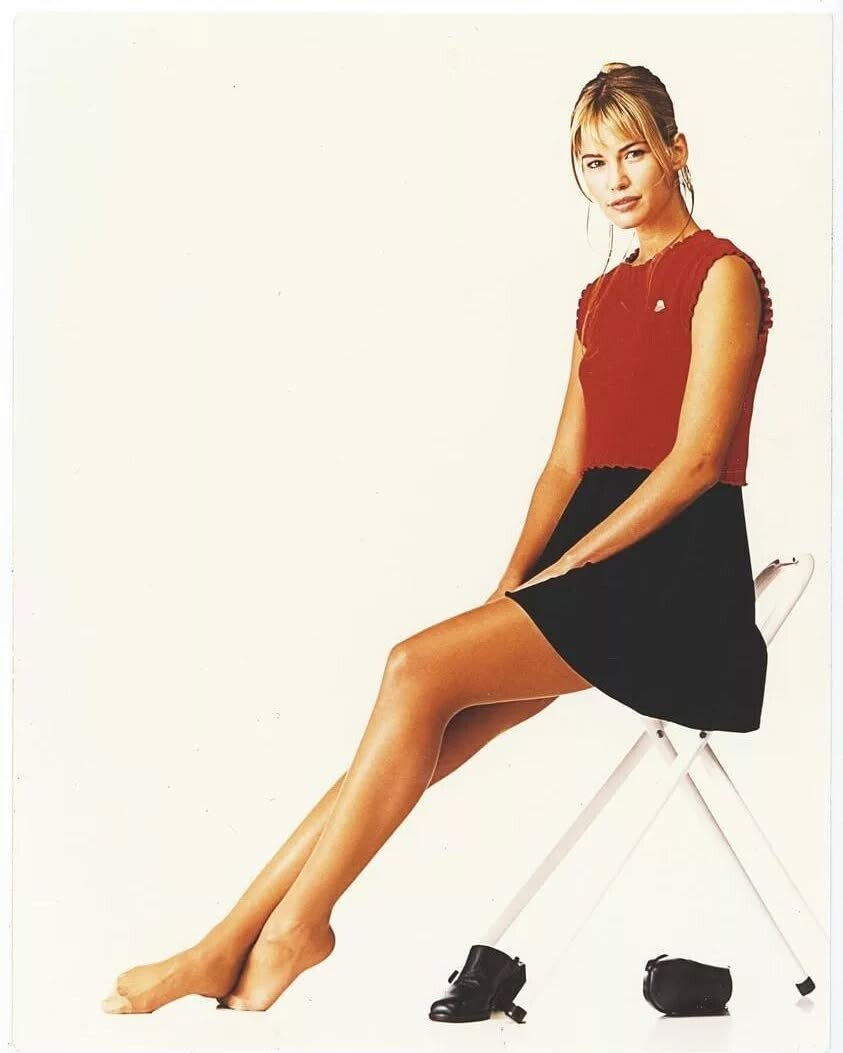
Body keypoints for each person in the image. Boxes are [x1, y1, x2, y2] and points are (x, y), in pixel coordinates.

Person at [101, 61, 773, 1015]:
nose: (615, 179)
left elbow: (698, 459)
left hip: (671, 579)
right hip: (588, 577)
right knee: (409, 729)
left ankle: (294, 930)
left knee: (411, 667)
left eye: (632, 153)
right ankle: (222, 944)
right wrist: (511, 587)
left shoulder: (722, 273)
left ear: (676, 150)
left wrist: (569, 568)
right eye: (592, 163)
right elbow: (563, 465)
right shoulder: (597, 296)